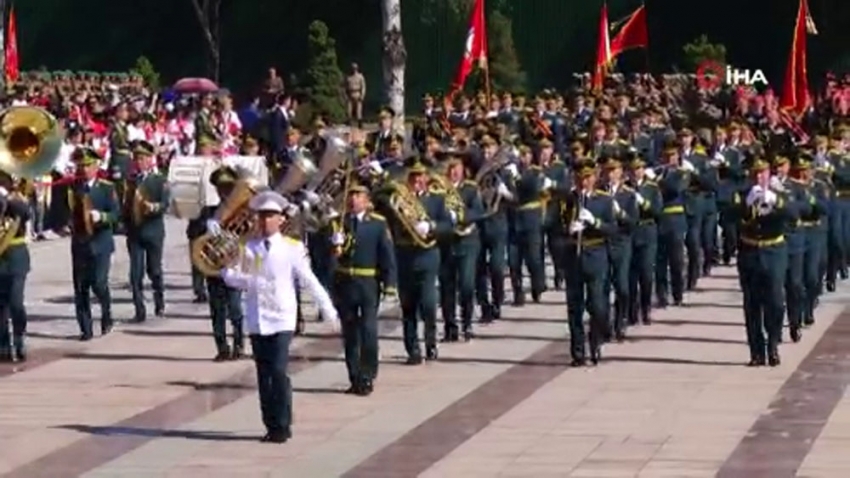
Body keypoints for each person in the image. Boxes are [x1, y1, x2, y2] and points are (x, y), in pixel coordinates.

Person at [222, 190, 339, 444]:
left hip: (282, 317)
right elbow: (229, 275)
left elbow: (309, 280)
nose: (265, 221)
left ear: (281, 220)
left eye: (271, 216)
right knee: (263, 374)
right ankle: (271, 424)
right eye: (261, 216)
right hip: (257, 318)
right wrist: (247, 280)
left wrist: (329, 309)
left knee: (278, 370)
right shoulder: (248, 247)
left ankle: (283, 424)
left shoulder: (292, 248)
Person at [330, 182, 397, 395]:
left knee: (368, 330)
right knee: (349, 332)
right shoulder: (338, 223)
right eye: (350, 195)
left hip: (368, 282)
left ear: (367, 201)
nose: (353, 199)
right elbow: (328, 257)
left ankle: (368, 374)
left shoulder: (377, 224)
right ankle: (354, 376)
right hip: (344, 283)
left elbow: (387, 255)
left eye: (358, 195)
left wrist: (390, 284)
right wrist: (332, 244)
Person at [735, 157, 790, 367]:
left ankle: (773, 343)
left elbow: (792, 213)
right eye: (756, 173)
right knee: (752, 304)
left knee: (775, 301)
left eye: (763, 173)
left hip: (773, 250)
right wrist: (747, 204)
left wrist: (775, 201)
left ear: (769, 174)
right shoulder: (741, 194)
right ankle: (756, 351)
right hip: (749, 250)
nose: (760, 177)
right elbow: (729, 216)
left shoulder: (781, 193)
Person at [68, 148, 120, 341]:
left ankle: (107, 314)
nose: (84, 169)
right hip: (80, 244)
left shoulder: (107, 188)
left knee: (99, 284)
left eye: (88, 165)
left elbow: (116, 214)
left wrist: (102, 217)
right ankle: (85, 328)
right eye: (81, 166)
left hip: (101, 243)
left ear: (97, 166)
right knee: (81, 288)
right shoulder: (73, 187)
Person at [200, 166, 246, 361]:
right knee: (217, 310)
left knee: (235, 308)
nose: (224, 192)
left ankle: (239, 344)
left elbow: (247, 236)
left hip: (233, 266)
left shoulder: (241, 212)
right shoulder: (208, 211)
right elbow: (193, 236)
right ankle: (221, 347)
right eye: (221, 188)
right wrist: (206, 229)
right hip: (213, 267)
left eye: (228, 188)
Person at [124, 141, 170, 322]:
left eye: (142, 158)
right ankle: (139, 309)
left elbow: (165, 204)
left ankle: (159, 301)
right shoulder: (131, 180)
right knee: (135, 273)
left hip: (153, 231)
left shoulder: (159, 180)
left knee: (155, 270)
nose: (139, 162)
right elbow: (126, 204)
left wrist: (153, 207)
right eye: (137, 159)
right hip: (135, 232)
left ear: (150, 160)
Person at [0, 175, 32, 362]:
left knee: (16, 301)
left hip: (16, 255)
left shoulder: (15, 200)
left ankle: (20, 335)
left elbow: (24, 213)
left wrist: (8, 197)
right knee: (0, 304)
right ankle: (3, 342)